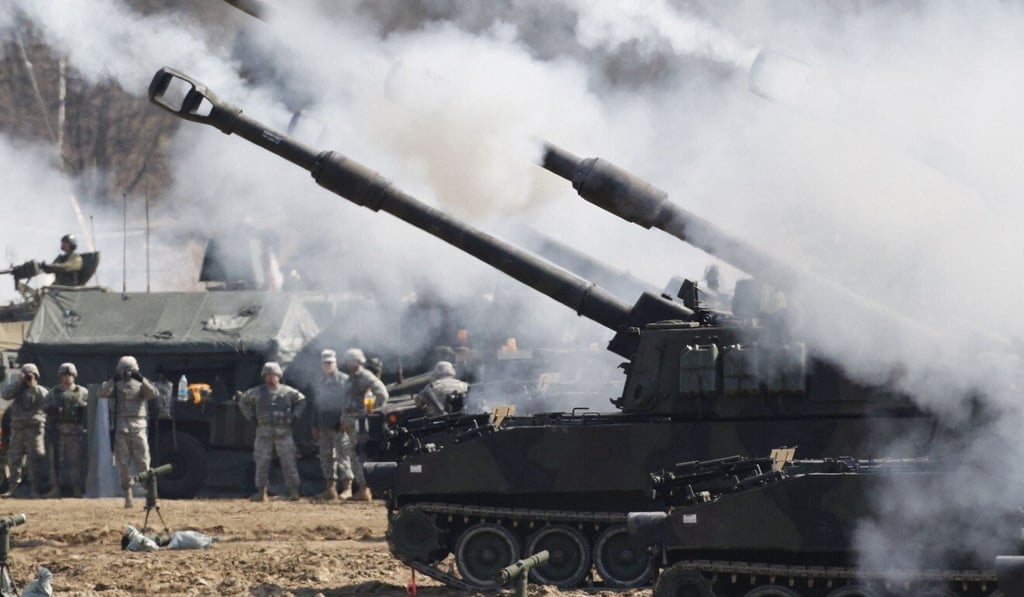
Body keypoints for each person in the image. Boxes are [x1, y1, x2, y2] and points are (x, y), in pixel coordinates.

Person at [237, 362, 306, 502]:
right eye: (268, 375)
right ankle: (262, 492)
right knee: (261, 462)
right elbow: (243, 401)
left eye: (273, 375)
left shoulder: (287, 392)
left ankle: (294, 491)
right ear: (264, 376)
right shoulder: (257, 392)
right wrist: (250, 416)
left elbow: (302, 400)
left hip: (284, 432)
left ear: (279, 376)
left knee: (289, 462)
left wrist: (295, 416)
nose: (271, 377)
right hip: (264, 433)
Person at [98, 355, 159, 508]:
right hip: (121, 426)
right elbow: (101, 393)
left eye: (129, 371)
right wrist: (114, 379)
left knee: (143, 462)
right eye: (123, 371)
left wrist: (141, 379)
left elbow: (153, 393)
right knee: (122, 463)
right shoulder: (115, 385)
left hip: (138, 424)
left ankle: (150, 496)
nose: (126, 374)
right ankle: (128, 495)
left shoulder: (141, 385)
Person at [338, 348, 388, 501]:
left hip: (360, 423)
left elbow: (382, 394)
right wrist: (343, 419)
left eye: (350, 360)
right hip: (351, 422)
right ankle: (362, 489)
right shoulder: (350, 379)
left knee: (361, 455)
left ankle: (365, 489)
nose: (347, 364)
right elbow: (346, 402)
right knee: (354, 455)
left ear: (358, 361)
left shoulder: (365, 376)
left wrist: (367, 410)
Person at [0, 364, 49, 498]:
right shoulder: (17, 390)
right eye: (26, 374)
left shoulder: (40, 390)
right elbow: (5, 395)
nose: (28, 377)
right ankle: (13, 488)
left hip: (34, 429)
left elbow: (49, 403)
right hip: (18, 428)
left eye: (31, 374)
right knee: (14, 458)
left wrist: (33, 385)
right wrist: (19, 383)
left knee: (34, 459)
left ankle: (34, 489)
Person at [45, 362, 89, 498]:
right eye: (64, 374)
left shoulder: (82, 392)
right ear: (60, 376)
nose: (67, 377)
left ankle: (77, 488)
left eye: (69, 374)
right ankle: (55, 488)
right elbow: (46, 409)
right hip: (58, 432)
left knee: (75, 462)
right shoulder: (53, 392)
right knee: (55, 462)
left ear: (74, 375)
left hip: (75, 433)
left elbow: (88, 413)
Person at [312, 349, 349, 501]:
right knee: (326, 456)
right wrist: (314, 424)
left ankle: (348, 488)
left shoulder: (344, 380)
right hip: (324, 424)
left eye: (330, 363)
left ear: (335, 363)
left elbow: (349, 403)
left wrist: (344, 420)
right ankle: (330, 489)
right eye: (325, 363)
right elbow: (316, 404)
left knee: (343, 455)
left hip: (339, 424)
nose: (328, 366)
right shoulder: (319, 382)